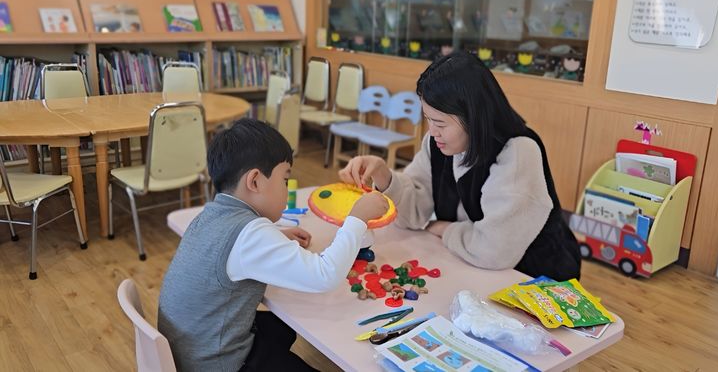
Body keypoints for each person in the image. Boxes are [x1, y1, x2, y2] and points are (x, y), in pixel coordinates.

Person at [158, 118, 389, 371]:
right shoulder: (250, 234)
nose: (287, 189)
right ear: (255, 181)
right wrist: (357, 218)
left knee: (281, 328)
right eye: (284, 180)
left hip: (192, 349)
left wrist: (276, 236)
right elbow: (325, 275)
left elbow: (236, 247)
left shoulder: (211, 214)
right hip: (219, 363)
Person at [339, 51, 581, 281]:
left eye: (441, 123)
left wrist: (446, 229)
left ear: (473, 117)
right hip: (474, 268)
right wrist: (385, 177)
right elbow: (413, 216)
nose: (433, 132)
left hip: (535, 277)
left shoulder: (517, 152)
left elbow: (493, 250)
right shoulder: (439, 144)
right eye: (428, 120)